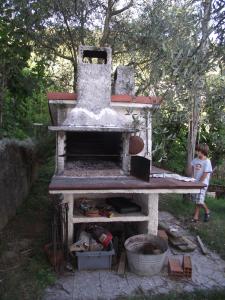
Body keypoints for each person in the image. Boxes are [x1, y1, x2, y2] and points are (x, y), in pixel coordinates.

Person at [191, 143, 212, 222]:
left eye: (198, 151)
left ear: (203, 151)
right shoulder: (195, 160)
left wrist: (199, 183)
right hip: (195, 183)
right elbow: (193, 169)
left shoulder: (207, 162)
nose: (196, 152)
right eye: (196, 150)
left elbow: (205, 174)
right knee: (197, 200)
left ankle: (206, 211)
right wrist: (192, 179)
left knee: (199, 200)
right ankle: (196, 216)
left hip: (202, 184)